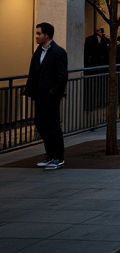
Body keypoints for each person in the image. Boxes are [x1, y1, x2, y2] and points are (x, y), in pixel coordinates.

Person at [25, 22, 68, 169]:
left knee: (53, 125)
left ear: (47, 35)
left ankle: (58, 157)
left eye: (39, 33)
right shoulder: (38, 51)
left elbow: (62, 75)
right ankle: (50, 155)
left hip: (51, 96)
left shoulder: (58, 52)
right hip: (40, 96)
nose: (36, 36)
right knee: (41, 123)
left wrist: (53, 92)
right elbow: (35, 73)